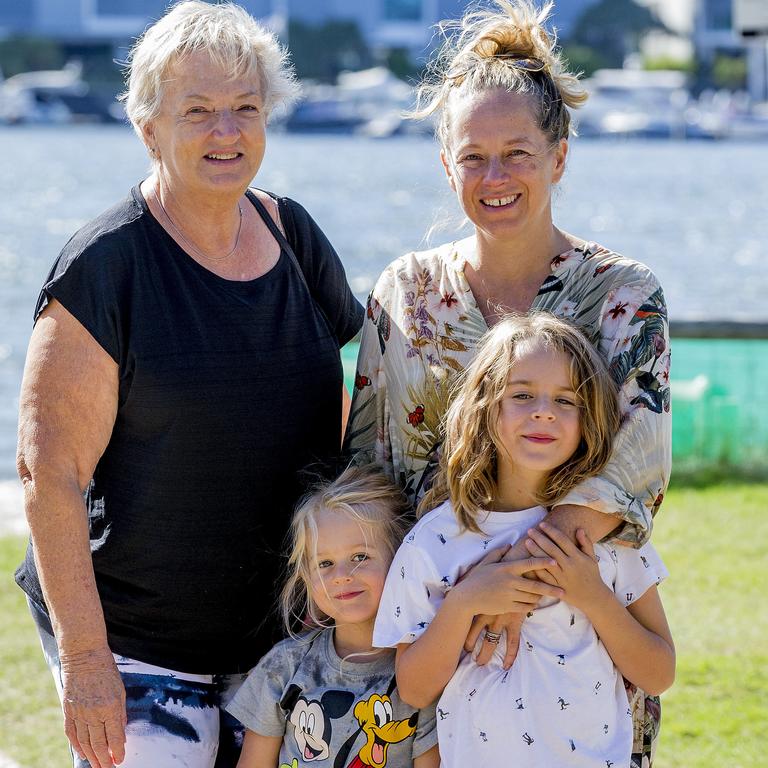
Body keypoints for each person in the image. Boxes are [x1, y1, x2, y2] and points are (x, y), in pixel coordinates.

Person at [14, 3, 362, 767]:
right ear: (148, 128)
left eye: (245, 108)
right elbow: (50, 475)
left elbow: (348, 415)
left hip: (282, 638)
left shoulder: (294, 236)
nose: (226, 132)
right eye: (197, 112)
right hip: (138, 649)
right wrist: (86, 664)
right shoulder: (105, 268)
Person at [344, 2, 671, 763]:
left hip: (580, 654)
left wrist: (511, 585)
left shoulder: (621, 292)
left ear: (559, 156)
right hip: (433, 656)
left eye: (518, 153)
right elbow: (369, 470)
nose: (495, 177)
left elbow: (638, 468)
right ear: (446, 164)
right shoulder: (406, 291)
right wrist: (445, 607)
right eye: (473, 156)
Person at [373, 313, 675, 767]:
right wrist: (464, 602)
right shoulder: (434, 541)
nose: (544, 411)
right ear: (483, 407)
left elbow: (659, 672)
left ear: (588, 419)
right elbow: (414, 689)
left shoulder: (609, 534)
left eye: (566, 400)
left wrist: (592, 595)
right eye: (522, 395)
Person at [225, 464, 440, 768]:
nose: (341, 576)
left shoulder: (422, 675)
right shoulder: (285, 666)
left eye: (360, 557)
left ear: (401, 557)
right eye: (325, 563)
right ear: (306, 576)